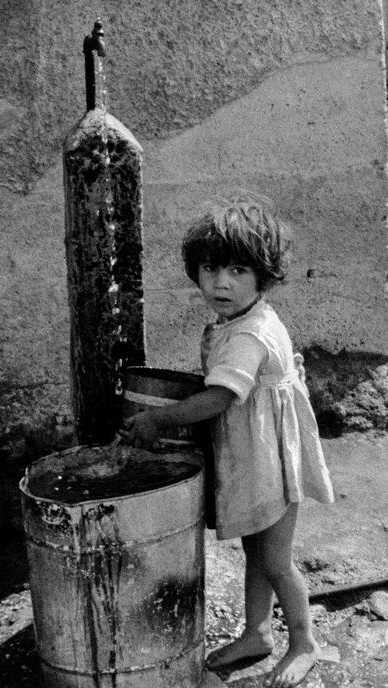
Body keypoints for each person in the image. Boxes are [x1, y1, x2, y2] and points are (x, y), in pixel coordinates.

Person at [124, 196, 336, 687]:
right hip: (255, 452)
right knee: (255, 551)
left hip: (271, 459)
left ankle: (305, 642)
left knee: (277, 561)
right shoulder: (241, 320)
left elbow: (219, 397)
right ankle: (257, 633)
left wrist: (159, 421)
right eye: (210, 268)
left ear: (263, 277)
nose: (221, 282)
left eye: (238, 270)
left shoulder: (249, 334)